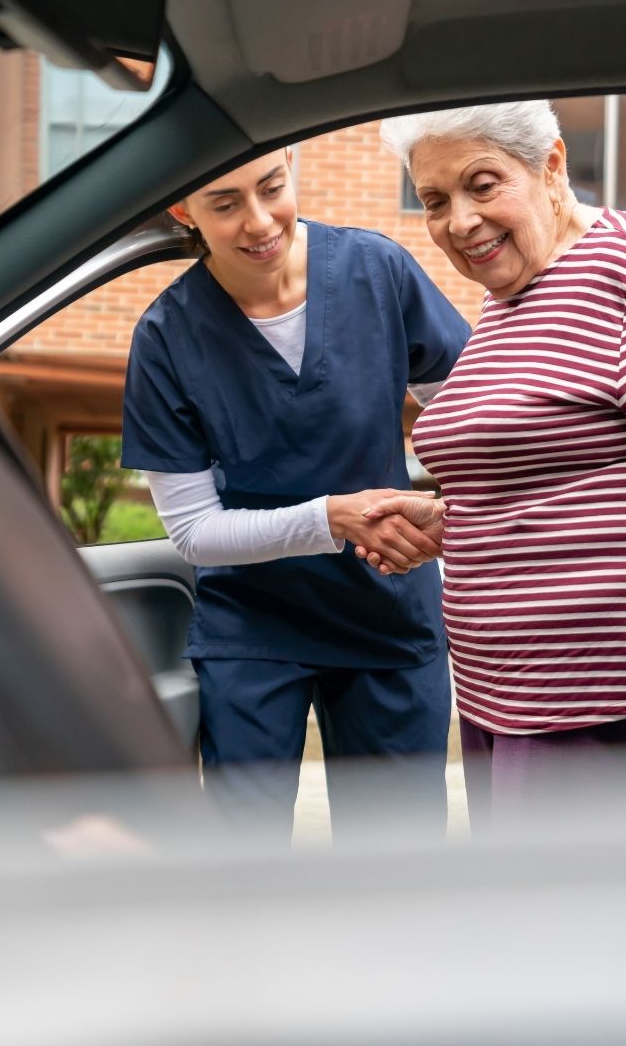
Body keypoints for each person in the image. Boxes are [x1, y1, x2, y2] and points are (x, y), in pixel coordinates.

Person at [358, 101, 626, 828]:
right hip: (502, 700)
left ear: (552, 165)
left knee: (575, 933)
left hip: (594, 703)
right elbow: (571, 460)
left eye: (484, 184)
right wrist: (456, 514)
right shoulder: (516, 294)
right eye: (435, 201)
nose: (460, 221)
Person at [120, 148, 471, 841]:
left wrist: (445, 514)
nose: (259, 221)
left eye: (272, 188)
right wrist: (333, 520)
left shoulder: (377, 273)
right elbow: (194, 532)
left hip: (386, 612)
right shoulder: (166, 337)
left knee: (397, 863)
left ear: (290, 166)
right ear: (182, 210)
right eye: (224, 204)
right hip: (254, 623)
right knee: (246, 864)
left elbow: (475, 425)